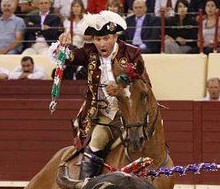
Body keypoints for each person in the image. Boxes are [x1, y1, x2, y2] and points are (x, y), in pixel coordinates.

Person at [54, 10, 152, 179]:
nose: (101, 44)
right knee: (96, 144)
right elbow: (66, 58)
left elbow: (140, 77)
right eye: (98, 39)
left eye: (106, 38)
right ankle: (84, 187)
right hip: (106, 118)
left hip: (131, 115)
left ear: (115, 37)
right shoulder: (89, 52)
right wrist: (62, 45)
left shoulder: (131, 53)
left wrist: (121, 84)